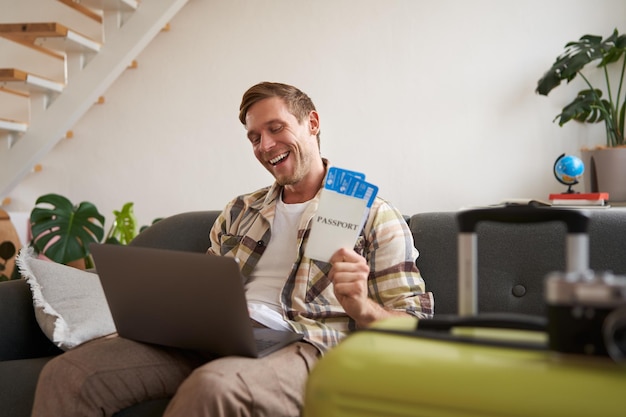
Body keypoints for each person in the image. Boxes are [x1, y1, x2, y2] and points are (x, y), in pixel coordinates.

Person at [31, 82, 433, 417]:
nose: (265, 145)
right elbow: (204, 289)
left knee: (215, 388)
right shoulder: (240, 210)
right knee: (70, 373)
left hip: (308, 344)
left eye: (276, 128)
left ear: (312, 123)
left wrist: (362, 306)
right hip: (217, 338)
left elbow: (413, 327)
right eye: (255, 137)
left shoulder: (373, 214)